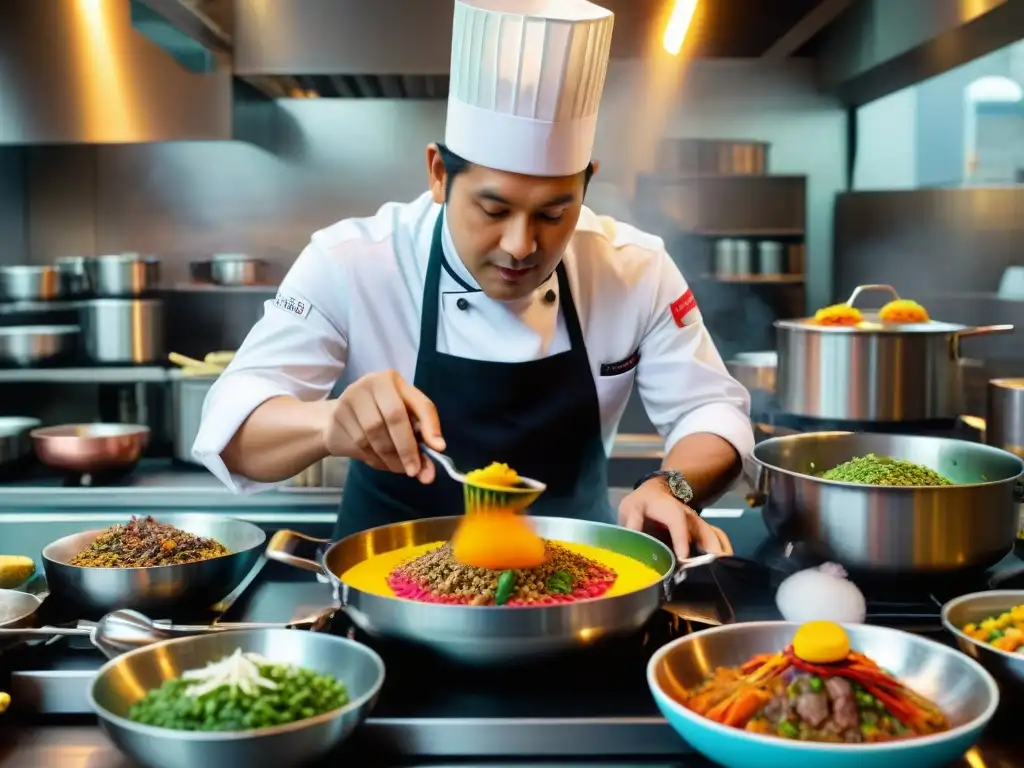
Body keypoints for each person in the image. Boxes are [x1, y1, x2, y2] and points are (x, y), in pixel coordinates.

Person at [192, 0, 754, 560]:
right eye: (493, 209)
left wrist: (671, 486)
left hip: (576, 585)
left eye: (554, 214)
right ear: (439, 174)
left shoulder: (635, 268)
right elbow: (232, 429)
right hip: (384, 581)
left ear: (587, 185)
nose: (520, 245)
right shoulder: (353, 260)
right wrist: (330, 421)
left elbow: (710, 411)